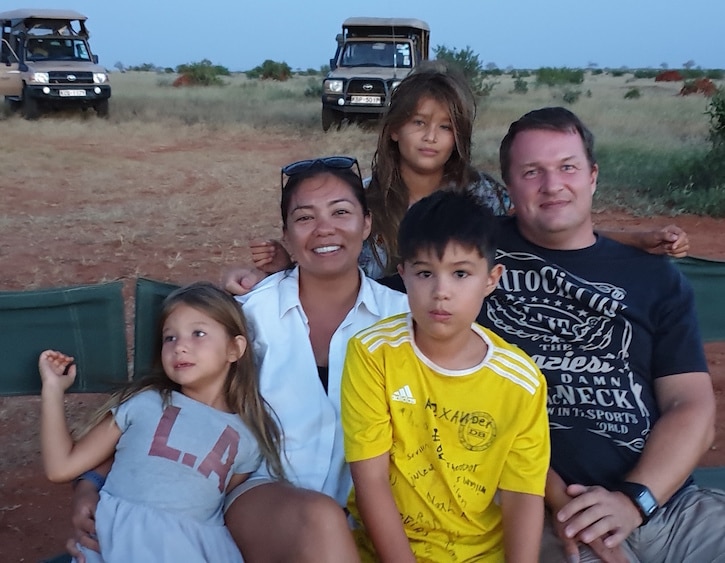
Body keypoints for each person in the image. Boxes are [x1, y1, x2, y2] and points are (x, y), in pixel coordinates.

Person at [67, 157, 409, 562]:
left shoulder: (402, 319)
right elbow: (172, 409)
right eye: (305, 217)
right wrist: (92, 482)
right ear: (286, 234)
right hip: (257, 493)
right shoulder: (248, 314)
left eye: (341, 212)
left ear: (367, 224)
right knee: (319, 520)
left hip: (376, 501)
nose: (324, 229)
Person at [476, 106, 725, 562]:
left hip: (667, 509)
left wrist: (634, 502)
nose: (553, 185)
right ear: (508, 188)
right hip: (545, 512)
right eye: (532, 172)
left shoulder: (656, 279)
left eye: (567, 167)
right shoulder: (470, 260)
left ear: (592, 176)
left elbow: (690, 404)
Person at [224, 62, 689, 293]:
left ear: (459, 136)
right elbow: (330, 266)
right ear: (393, 131)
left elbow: (549, 236)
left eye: (445, 126)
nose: (431, 137)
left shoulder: (483, 195)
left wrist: (635, 238)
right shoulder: (361, 204)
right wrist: (286, 265)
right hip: (378, 352)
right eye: (419, 123)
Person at [341, 190, 550, 562]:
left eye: (460, 273)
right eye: (425, 273)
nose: (441, 292)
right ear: (403, 275)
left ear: (491, 278)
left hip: (481, 553)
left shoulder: (521, 381)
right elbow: (370, 479)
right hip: (385, 551)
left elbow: (523, 495)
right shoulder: (373, 353)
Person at [39, 282, 285, 562]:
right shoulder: (145, 403)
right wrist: (52, 389)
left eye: (198, 333)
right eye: (170, 338)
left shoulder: (249, 438)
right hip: (118, 545)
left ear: (234, 348)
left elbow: (221, 508)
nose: (180, 346)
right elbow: (61, 467)